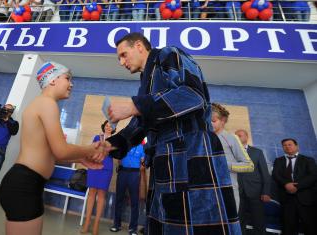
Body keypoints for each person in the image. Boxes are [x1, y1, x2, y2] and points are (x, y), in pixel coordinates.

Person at [106, 32, 241, 234]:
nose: (121, 62)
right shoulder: (146, 81)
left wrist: (135, 105)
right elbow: (141, 123)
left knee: (199, 224)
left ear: (140, 46)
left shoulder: (168, 54)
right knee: (169, 225)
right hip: (164, 159)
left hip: (192, 153)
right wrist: (110, 145)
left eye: (123, 54)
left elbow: (193, 96)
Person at [0, 61, 111, 235]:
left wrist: (80, 158)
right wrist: (90, 149)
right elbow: (61, 150)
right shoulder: (47, 104)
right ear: (52, 80)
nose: (71, 84)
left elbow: (49, 153)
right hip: (24, 184)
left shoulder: (41, 104)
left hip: (24, 183)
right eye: (67, 78)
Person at [211, 103, 254, 210]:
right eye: (208, 120)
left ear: (222, 121)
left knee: (228, 223)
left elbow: (249, 166)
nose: (210, 124)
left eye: (213, 121)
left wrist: (226, 165)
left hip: (227, 188)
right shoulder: (204, 138)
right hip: (207, 190)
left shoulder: (231, 138)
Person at [272, 138, 317, 235]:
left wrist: (297, 186)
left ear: (297, 146)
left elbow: (313, 176)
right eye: (284, 145)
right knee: (288, 229)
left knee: (310, 228)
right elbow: (275, 175)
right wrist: (286, 184)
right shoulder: (278, 161)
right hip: (287, 200)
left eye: (290, 144)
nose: (287, 147)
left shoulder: (308, 160)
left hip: (306, 200)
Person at [81, 120, 115, 235]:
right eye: (106, 125)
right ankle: (87, 223)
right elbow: (91, 150)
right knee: (91, 194)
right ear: (104, 127)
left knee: (101, 196)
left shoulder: (115, 140)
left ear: (113, 128)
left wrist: (106, 144)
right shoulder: (97, 137)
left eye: (110, 126)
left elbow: (114, 153)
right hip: (94, 167)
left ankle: (96, 225)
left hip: (106, 168)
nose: (108, 127)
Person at [235, 129, 271, 235]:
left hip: (255, 192)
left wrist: (266, 192)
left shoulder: (257, 152)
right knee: (238, 220)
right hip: (237, 192)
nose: (237, 138)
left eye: (240, 136)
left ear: (247, 137)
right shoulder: (230, 152)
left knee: (258, 220)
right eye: (235, 136)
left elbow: (265, 173)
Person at [110, 144, 144, 235]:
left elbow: (143, 162)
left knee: (134, 201)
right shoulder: (124, 145)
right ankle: (116, 225)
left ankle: (133, 228)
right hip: (123, 172)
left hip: (134, 174)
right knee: (119, 199)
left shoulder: (141, 147)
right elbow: (119, 159)